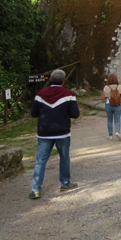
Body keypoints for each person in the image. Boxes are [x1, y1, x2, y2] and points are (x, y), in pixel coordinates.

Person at [29, 69, 80, 199]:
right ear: (63, 81)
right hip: (62, 132)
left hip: (44, 132)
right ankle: (65, 183)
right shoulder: (69, 94)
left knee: (41, 160)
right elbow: (75, 115)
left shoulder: (40, 94)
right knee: (64, 157)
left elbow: (34, 113)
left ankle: (35, 189)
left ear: (51, 79)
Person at [102, 73, 121, 141]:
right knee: (117, 120)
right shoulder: (120, 87)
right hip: (118, 105)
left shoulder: (106, 87)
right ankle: (117, 132)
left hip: (108, 105)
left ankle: (110, 135)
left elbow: (103, 97)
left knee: (109, 120)